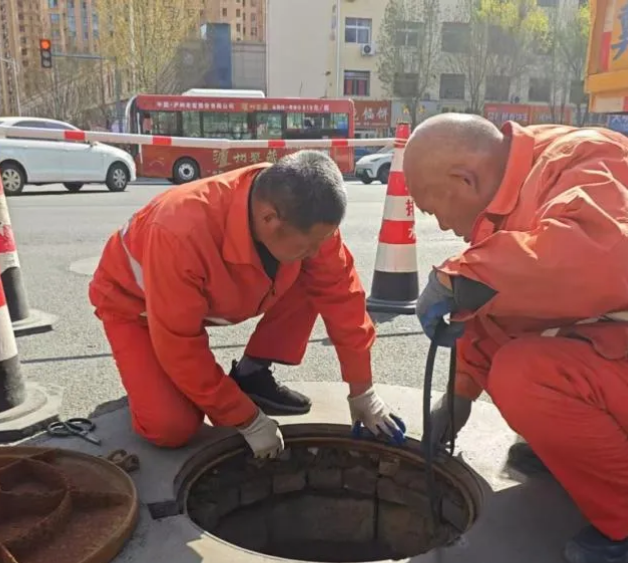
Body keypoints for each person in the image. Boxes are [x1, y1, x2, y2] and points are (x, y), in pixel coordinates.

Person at [406, 113, 628, 563]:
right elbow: (505, 309)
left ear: (465, 179)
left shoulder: (592, 160)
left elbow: (592, 262)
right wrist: (459, 396)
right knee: (507, 325)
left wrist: (465, 278)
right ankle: (579, 452)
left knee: (524, 375)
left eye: (433, 209)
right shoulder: (520, 189)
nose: (442, 225)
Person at [89, 150, 406, 459]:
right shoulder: (180, 233)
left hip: (199, 298)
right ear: (269, 219)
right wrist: (245, 418)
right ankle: (153, 386)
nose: (316, 252)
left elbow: (343, 297)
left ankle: (251, 375)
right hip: (136, 306)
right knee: (172, 426)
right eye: (308, 245)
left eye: (321, 242)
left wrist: (362, 390)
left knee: (315, 275)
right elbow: (179, 344)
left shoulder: (303, 215)